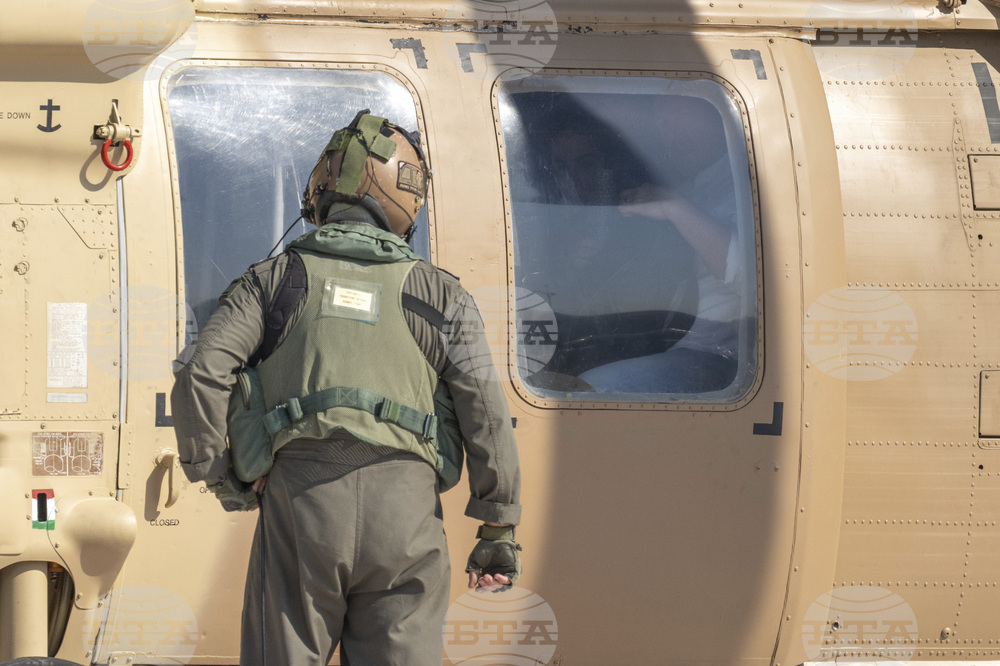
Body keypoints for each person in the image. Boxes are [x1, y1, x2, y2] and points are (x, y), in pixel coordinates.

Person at [171, 110, 522, 665]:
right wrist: (497, 528)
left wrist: (223, 477)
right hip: (407, 516)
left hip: (301, 505)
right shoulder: (444, 296)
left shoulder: (271, 281)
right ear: (405, 198)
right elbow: (487, 414)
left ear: (324, 188)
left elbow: (202, 373)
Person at [578, 95, 745, 394]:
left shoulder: (746, 185)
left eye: (681, 114)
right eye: (663, 122)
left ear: (718, 115)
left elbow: (750, 276)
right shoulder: (695, 185)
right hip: (671, 342)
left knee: (590, 391)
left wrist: (674, 207)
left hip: (718, 356)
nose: (672, 132)